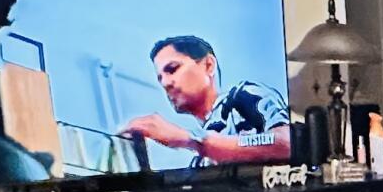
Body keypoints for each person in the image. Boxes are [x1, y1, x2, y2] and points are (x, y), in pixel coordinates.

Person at [120, 34, 291, 166]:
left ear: (209, 65)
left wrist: (189, 139)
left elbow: (285, 142)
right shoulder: (199, 161)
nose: (165, 83)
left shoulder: (244, 96)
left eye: (172, 69)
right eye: (160, 78)